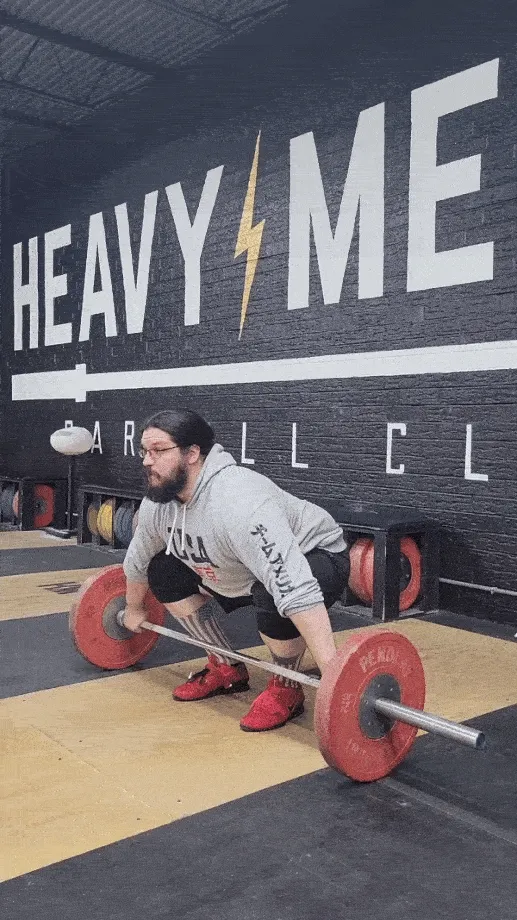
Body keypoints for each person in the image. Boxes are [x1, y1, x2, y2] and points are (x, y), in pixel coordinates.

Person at [122, 408, 349, 732]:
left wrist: (334, 673)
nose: (147, 460)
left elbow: (295, 586)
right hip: (236, 567)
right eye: (144, 451)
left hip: (317, 556)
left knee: (271, 593)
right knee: (163, 571)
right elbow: (138, 560)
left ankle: (287, 685)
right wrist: (132, 606)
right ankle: (225, 666)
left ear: (192, 453)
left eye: (158, 450)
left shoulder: (240, 503)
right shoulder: (159, 505)